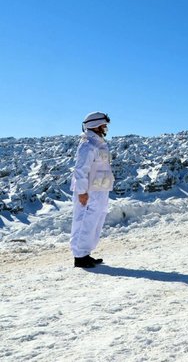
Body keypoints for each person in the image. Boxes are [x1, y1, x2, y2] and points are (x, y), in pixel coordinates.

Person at [70, 111, 114, 268]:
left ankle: (85, 253)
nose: (105, 128)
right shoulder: (87, 145)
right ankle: (79, 257)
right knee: (84, 221)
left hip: (99, 189)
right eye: (103, 125)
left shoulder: (99, 144)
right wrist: (82, 192)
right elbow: (80, 169)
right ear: (95, 126)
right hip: (88, 191)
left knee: (95, 220)